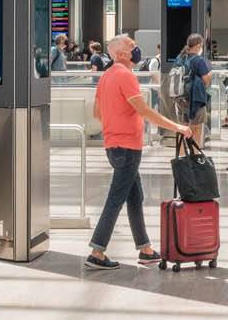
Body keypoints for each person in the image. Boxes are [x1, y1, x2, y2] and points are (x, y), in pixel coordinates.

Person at [86, 34, 192, 271]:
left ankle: (144, 249)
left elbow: (97, 113)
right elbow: (146, 112)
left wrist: (115, 123)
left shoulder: (106, 77)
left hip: (113, 145)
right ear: (120, 54)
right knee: (116, 199)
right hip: (128, 148)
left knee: (135, 197)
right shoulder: (125, 76)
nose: (136, 49)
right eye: (131, 46)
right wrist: (178, 127)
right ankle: (97, 250)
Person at [179, 33, 212, 150]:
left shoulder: (181, 58)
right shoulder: (199, 60)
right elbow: (206, 81)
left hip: (181, 98)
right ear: (198, 45)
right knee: (196, 129)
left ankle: (182, 156)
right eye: (201, 45)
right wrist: (210, 74)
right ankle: (195, 157)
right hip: (196, 99)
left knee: (183, 128)